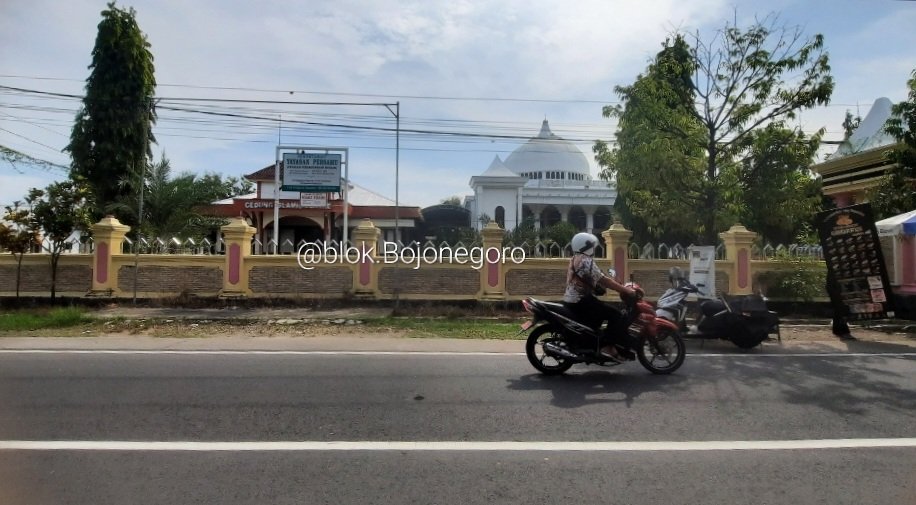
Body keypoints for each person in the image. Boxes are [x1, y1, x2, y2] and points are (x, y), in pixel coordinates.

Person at [563, 232, 638, 362]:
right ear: (584, 246)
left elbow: (598, 276)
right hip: (580, 301)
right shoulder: (586, 261)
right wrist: (625, 290)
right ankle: (606, 347)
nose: (593, 248)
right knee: (615, 315)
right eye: (591, 246)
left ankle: (597, 343)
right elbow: (604, 280)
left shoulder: (576, 258)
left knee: (601, 315)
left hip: (575, 300)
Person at [826, 270, 855, 340]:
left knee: (837, 312)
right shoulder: (834, 274)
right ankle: (843, 332)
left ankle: (838, 331)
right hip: (837, 293)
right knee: (840, 312)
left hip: (835, 293)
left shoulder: (832, 274)